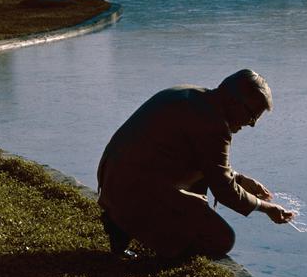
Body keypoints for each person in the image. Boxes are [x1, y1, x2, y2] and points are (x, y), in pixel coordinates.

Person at [97, 69, 293, 262]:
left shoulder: (193, 96)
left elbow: (203, 164)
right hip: (131, 190)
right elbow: (224, 191)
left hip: (113, 179)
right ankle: (146, 238)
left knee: (200, 185)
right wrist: (267, 208)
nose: (252, 125)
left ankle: (127, 223)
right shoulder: (214, 125)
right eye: (252, 116)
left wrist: (239, 179)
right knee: (221, 239)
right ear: (234, 101)